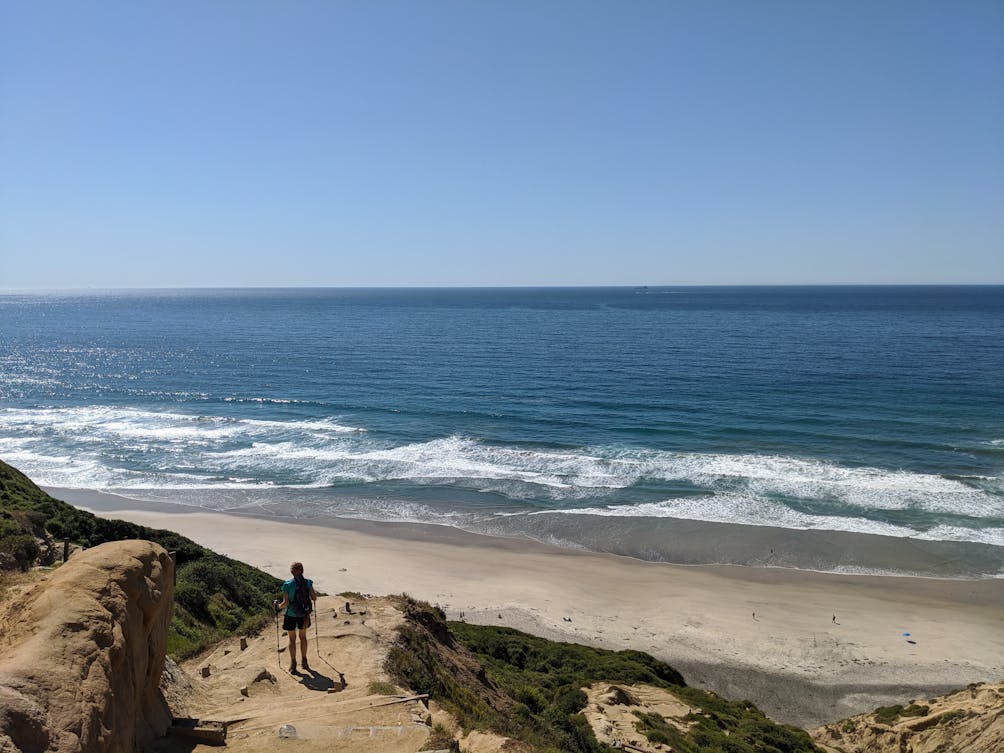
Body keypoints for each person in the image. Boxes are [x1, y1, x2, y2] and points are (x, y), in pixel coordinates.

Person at [275, 561, 317, 673]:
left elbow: (286, 603)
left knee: (292, 639)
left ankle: (293, 664)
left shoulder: (287, 585)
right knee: (303, 637)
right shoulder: (308, 582)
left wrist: (277, 606)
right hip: (304, 614)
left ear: (292, 572)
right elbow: (314, 598)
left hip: (291, 615)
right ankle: (304, 660)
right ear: (302, 571)